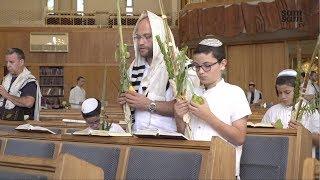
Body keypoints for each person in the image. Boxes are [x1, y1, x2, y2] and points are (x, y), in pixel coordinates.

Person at [174, 38, 252, 178]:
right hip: (193, 166)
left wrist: (208, 116)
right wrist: (179, 118)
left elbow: (239, 138)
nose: (201, 72)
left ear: (222, 64)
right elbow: (184, 133)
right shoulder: (192, 92)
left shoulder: (235, 92)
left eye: (207, 65)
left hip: (222, 169)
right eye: (197, 66)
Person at [117, 11, 176, 133]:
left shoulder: (178, 66)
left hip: (169, 140)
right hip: (137, 137)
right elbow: (133, 106)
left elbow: (184, 108)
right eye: (138, 37)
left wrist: (148, 104)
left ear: (161, 36)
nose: (141, 42)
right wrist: (125, 100)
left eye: (147, 37)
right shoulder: (134, 67)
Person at [261, 69, 320, 146]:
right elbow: (262, 140)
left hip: (304, 156)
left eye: (287, 92)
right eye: (280, 93)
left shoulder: (309, 110)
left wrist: (303, 133)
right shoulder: (272, 111)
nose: (283, 96)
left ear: (298, 90)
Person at [0, 48, 41, 121]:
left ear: (21, 62)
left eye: (11, 62)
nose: (8, 65)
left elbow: (28, 103)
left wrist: (7, 95)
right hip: (3, 121)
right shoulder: (5, 79)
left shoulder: (29, 81)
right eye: (7, 62)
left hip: (21, 124)